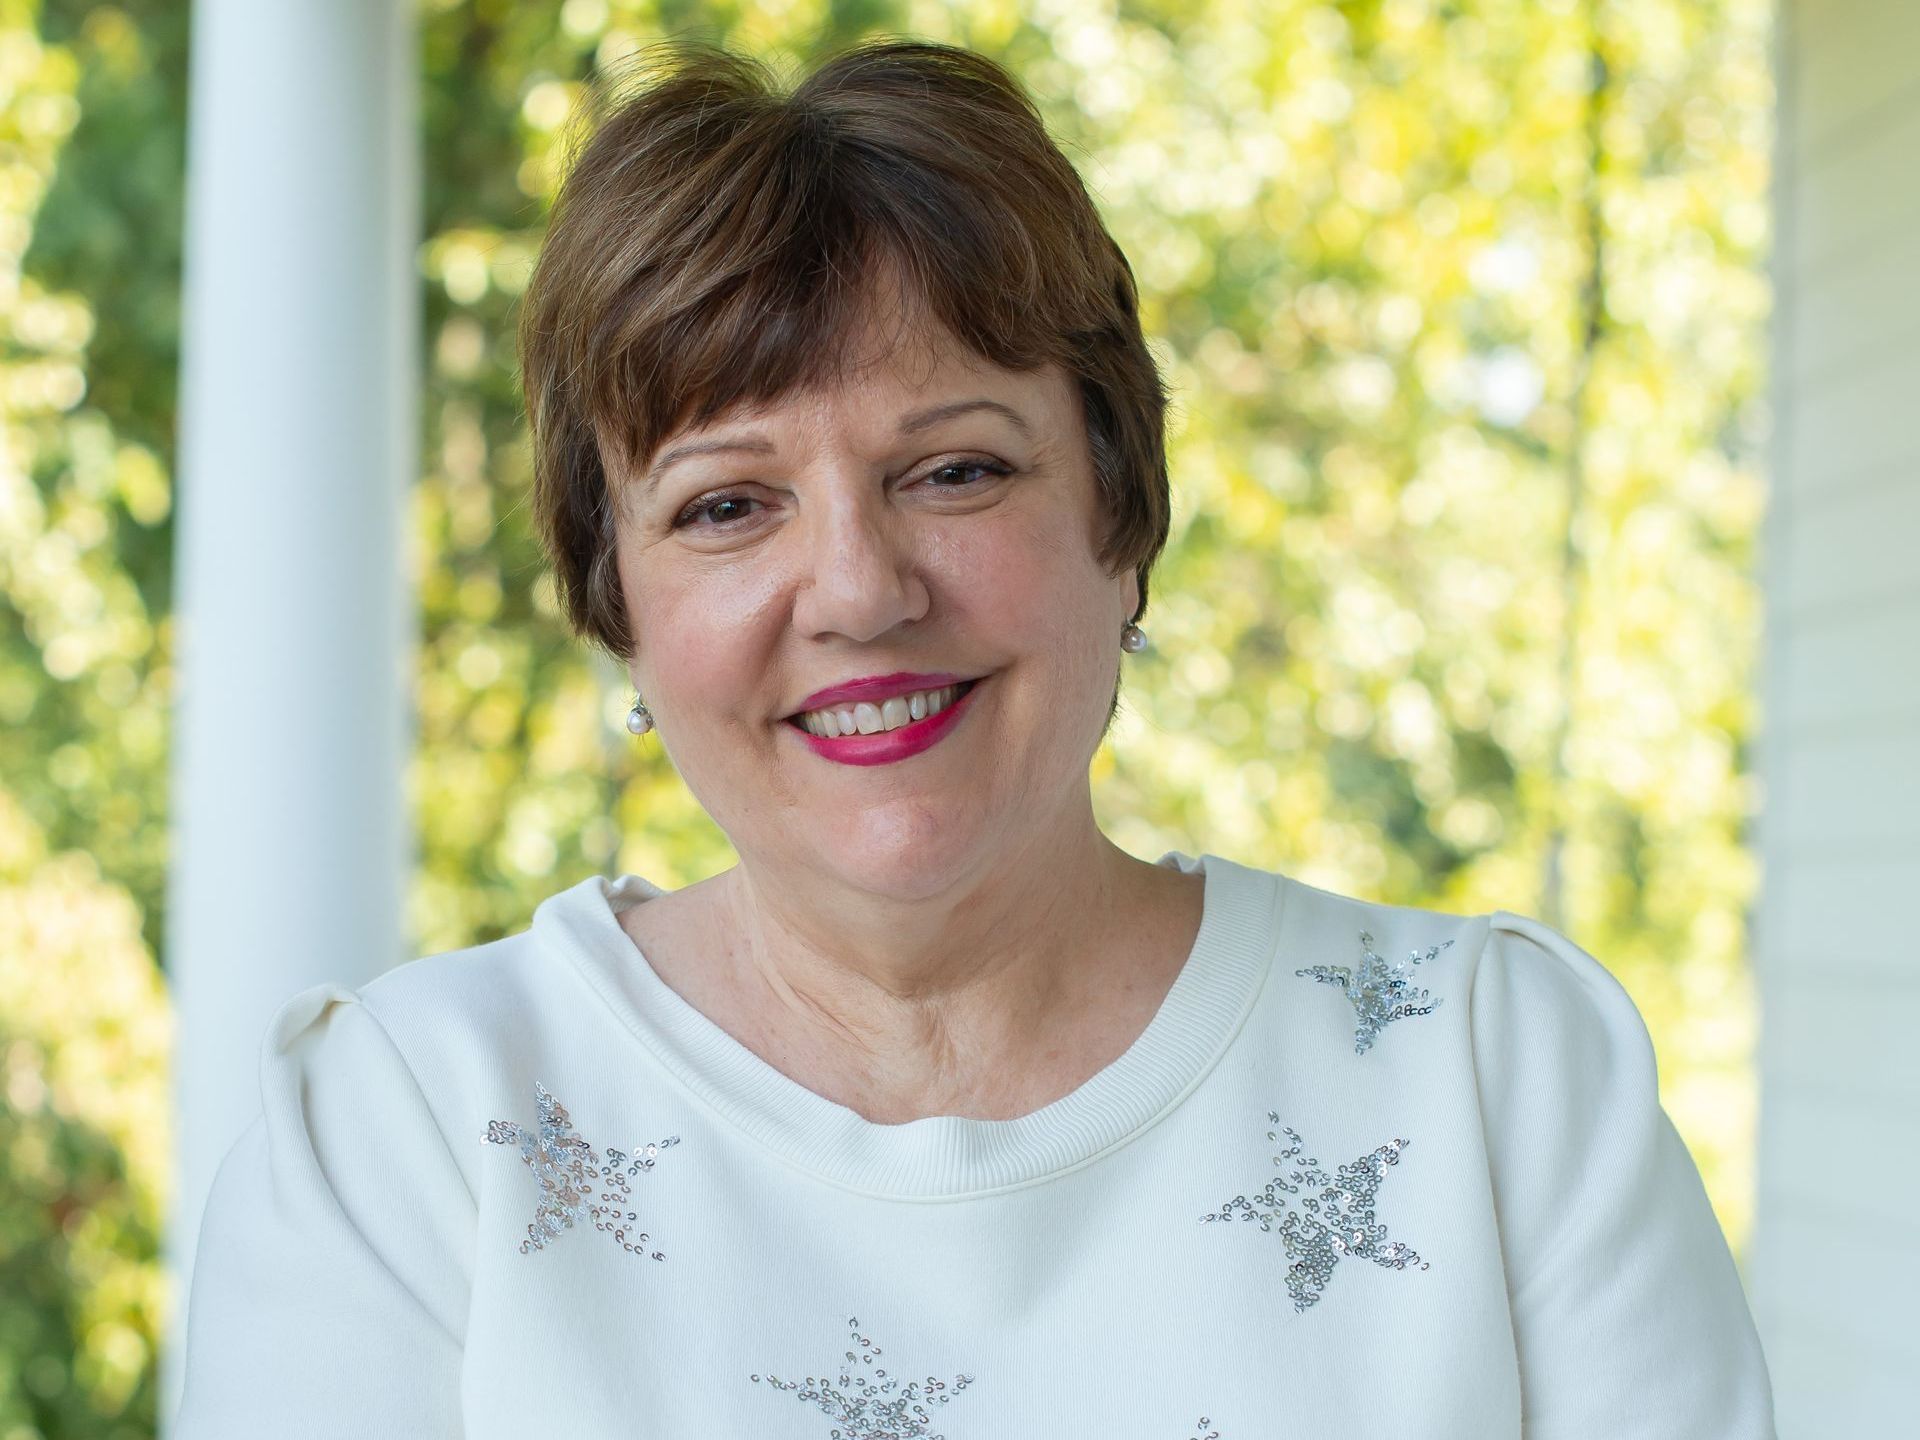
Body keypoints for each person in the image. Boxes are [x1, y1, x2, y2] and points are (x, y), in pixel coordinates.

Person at [173, 36, 1775, 1439]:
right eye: (730, 506)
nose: (859, 591)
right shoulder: (406, 1141)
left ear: (1122, 514)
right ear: (621, 604)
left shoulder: (1498, 1090)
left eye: (955, 471)